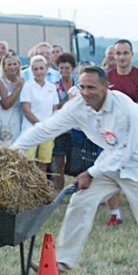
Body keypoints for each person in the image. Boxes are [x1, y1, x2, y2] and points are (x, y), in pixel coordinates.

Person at [12, 66, 138, 275]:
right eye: (82, 87)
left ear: (106, 87)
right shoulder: (78, 106)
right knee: (80, 201)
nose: (85, 92)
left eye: (92, 87)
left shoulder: (123, 109)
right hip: (110, 162)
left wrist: (90, 173)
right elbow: (46, 128)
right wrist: (13, 152)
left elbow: (125, 149)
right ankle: (61, 262)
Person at [105, 39, 138, 226]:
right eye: (118, 53)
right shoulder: (108, 77)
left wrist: (130, 108)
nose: (121, 57)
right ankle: (115, 214)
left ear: (131, 55)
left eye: (125, 53)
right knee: (112, 172)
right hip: (115, 133)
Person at [20, 55, 59, 172]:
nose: (39, 72)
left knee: (43, 162)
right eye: (35, 69)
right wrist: (39, 125)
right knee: (28, 162)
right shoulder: (28, 86)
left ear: (46, 69)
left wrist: (49, 125)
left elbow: (54, 108)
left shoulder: (51, 87)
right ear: (32, 70)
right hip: (31, 129)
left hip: (47, 130)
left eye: (41, 68)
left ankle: (40, 188)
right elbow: (26, 109)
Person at [51, 53, 78, 190]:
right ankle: (58, 192)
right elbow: (54, 107)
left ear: (72, 68)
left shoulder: (79, 86)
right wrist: (68, 101)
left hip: (76, 129)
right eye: (61, 68)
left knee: (77, 162)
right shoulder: (54, 87)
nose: (64, 71)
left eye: (67, 68)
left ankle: (78, 191)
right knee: (59, 163)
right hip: (61, 128)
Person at [0, 54, 24, 147]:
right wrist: (18, 87)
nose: (12, 67)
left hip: (17, 116)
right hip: (3, 117)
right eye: (9, 64)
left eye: (14, 64)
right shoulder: (0, 81)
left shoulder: (23, 80)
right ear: (4, 67)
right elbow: (6, 104)